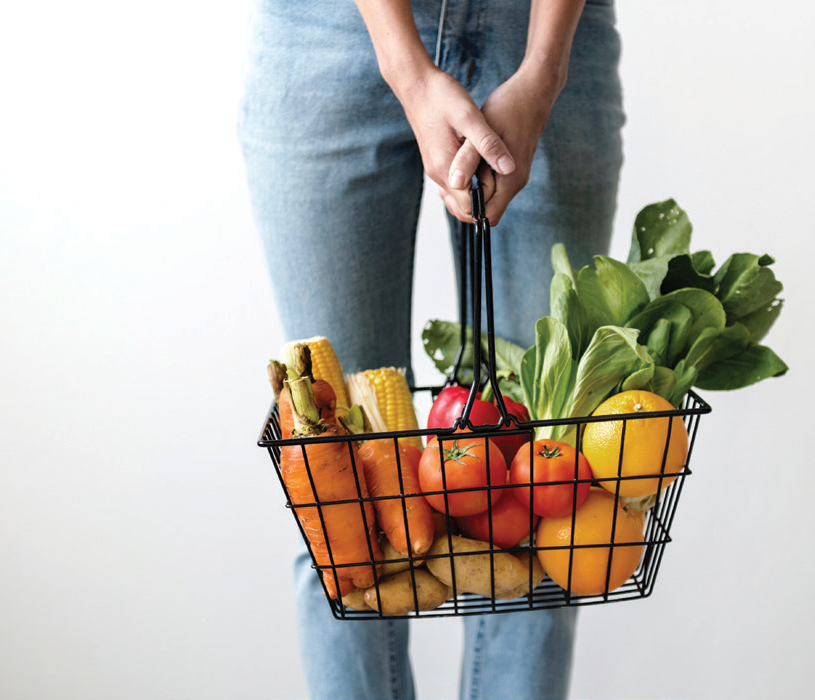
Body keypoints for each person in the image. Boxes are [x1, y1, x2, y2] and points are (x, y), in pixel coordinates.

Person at [238, 1, 624, 697]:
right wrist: (404, 66)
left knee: (548, 497)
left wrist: (544, 68)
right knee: (337, 503)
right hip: (330, 31)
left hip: (541, 29)